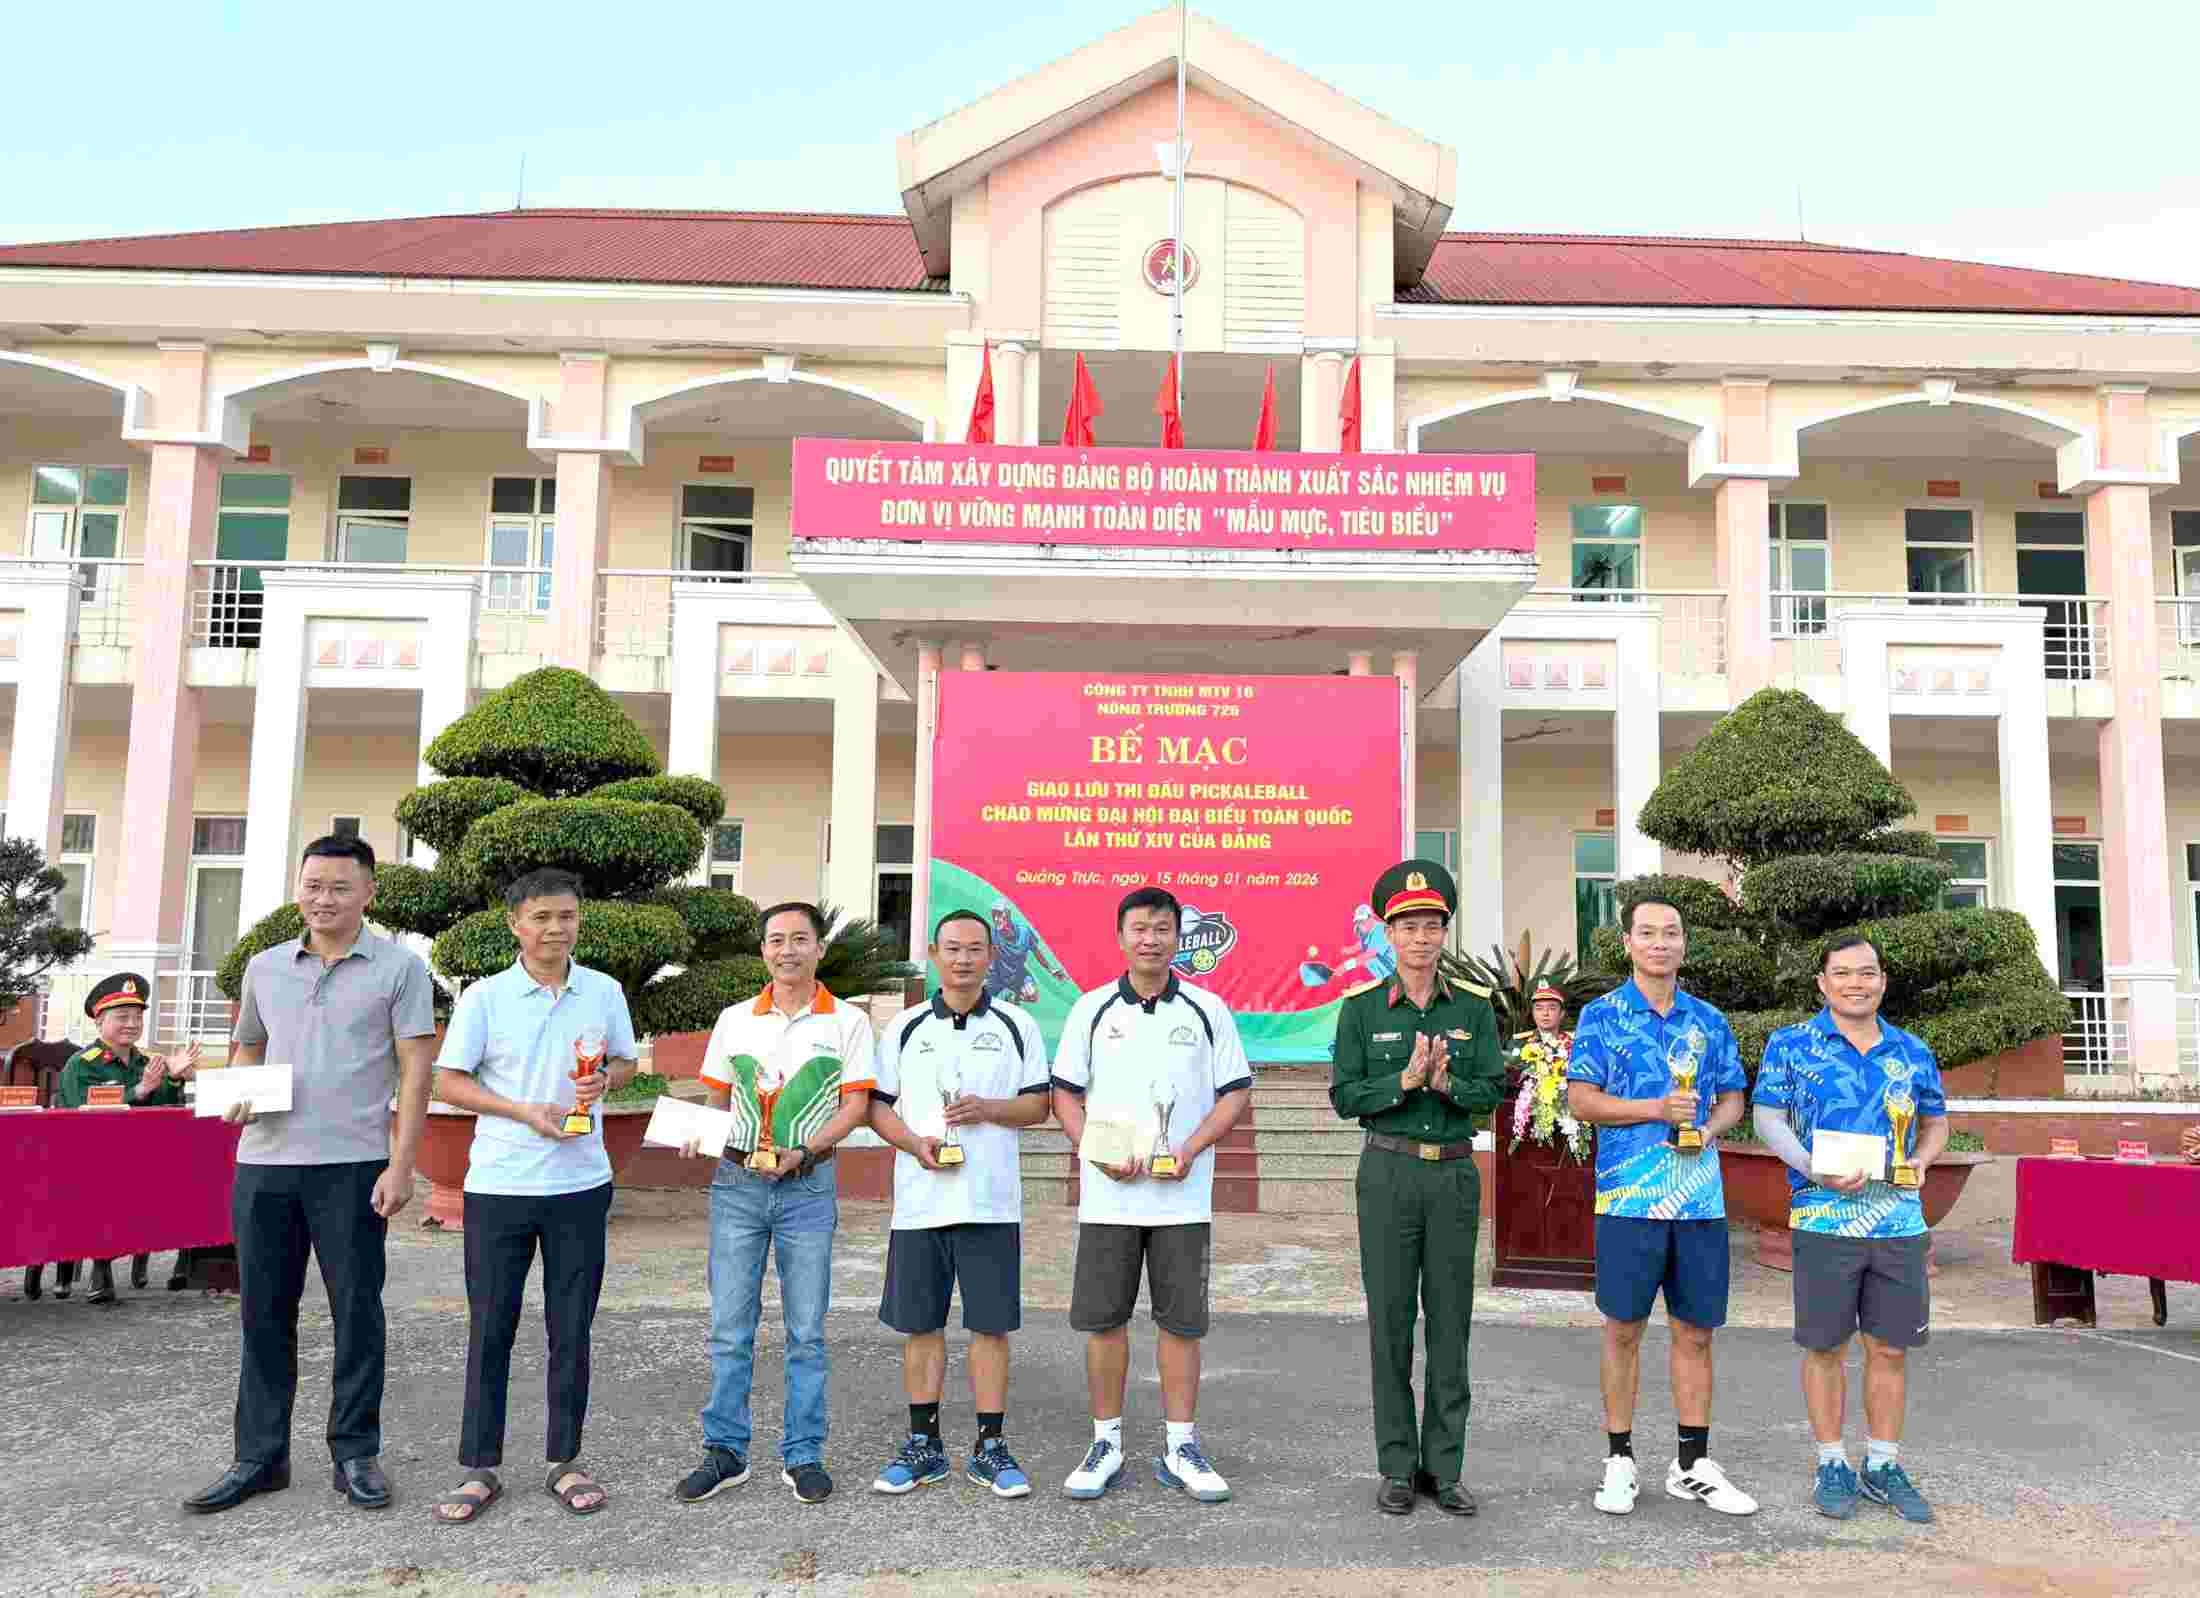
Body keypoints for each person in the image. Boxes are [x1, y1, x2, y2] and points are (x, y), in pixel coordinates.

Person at [184, 835, 438, 1516]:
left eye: (339, 888)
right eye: (313, 885)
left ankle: (355, 1451)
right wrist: (233, 1090)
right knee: (263, 1314)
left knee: (357, 1312)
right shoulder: (266, 967)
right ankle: (259, 1457)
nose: (324, 899)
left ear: (368, 895)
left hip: (353, 1167)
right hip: (265, 1166)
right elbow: (248, 1047)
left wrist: (402, 1162)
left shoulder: (400, 969)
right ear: (298, 888)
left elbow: (416, 1069)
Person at [428, 868, 640, 1526]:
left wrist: (605, 1079)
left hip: (580, 1184)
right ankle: (479, 1466)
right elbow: (450, 1082)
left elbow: (627, 1061)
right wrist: (521, 1110)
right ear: (516, 924)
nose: (555, 929)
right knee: (491, 1326)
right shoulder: (486, 998)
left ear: (580, 921)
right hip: (500, 1186)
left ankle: (566, 1460)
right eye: (542, 917)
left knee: (570, 1328)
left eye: (567, 917)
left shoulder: (602, 991)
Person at [1051, 886, 1252, 1504]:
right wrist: (1094, 1152)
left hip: (1181, 1201)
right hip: (1110, 1201)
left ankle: (1180, 1444)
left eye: (1162, 929)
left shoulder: (1207, 1009)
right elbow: (1064, 1094)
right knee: (1105, 1322)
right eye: (1139, 928)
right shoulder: (1090, 1010)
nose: (1150, 939)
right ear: (1120, 937)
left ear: (1178, 937)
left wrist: (1188, 1149)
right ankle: (1105, 1442)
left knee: (1182, 1325)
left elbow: (1235, 1092)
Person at [673, 901, 875, 1507]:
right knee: (730, 1329)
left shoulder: (847, 1022)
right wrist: (698, 1135)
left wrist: (806, 1150)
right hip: (737, 1187)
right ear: (763, 950)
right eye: (775, 940)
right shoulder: (736, 1019)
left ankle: (804, 1453)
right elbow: (717, 1099)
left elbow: (855, 1107)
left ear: (819, 948)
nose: (787, 950)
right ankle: (725, 1452)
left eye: (800, 939)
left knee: (807, 1331)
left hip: (807, 1188)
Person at [1564, 897, 1757, 1519]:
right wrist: (1654, 1110)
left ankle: (1692, 1463)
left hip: (1698, 1200)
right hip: (1627, 1200)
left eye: (1671, 933)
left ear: (1684, 943)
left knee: (1695, 1332)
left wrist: (1712, 1127)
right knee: (1622, 1330)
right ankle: (1619, 1459)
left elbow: (1732, 1095)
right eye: (1647, 933)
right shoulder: (1601, 1015)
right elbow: (1581, 1101)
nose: (1660, 943)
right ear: (1628, 944)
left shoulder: (1708, 1020)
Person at [1329, 860, 1504, 1518]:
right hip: (1388, 1172)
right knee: (1392, 1325)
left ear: (1443, 935)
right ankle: (1398, 1465)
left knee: (1452, 1327)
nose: (1421, 938)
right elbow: (1345, 1096)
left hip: (1454, 1175)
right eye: (1408, 927)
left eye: (1432, 926)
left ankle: (1446, 1468)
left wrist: (1444, 1086)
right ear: (1389, 936)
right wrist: (1402, 1084)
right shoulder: (1362, 1010)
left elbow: (1490, 1094)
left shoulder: (1474, 1011)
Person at [1752, 934, 1947, 1526]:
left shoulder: (1911, 1050)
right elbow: (1767, 1116)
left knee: (1889, 1347)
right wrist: (1812, 1167)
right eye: (1843, 974)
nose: (1856, 983)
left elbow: (1935, 1121)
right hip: (1823, 1218)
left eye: (1867, 973)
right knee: (1825, 1346)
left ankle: (1883, 1463)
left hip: (1897, 1222)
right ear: (1823, 983)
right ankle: (1831, 1460)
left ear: (1883, 981)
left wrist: (1925, 1160)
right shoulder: (1792, 1044)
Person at [866, 908, 1051, 1499]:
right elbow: (878, 1107)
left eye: (975, 949)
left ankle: (990, 1448)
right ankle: (924, 1445)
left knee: (990, 1329)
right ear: (934, 954)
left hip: (990, 1206)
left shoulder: (1018, 1024)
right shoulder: (905, 1027)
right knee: (921, 1326)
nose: (964, 959)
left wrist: (988, 1109)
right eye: (952, 948)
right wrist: (913, 1143)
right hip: (920, 1206)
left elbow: (1039, 1105)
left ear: (991, 957)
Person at [33, 973, 199, 1305]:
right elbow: (80, 1111)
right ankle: (101, 1268)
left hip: (143, 1157)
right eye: (122, 1017)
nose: (132, 1024)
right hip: (88, 1160)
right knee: (106, 1182)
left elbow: (167, 1107)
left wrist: (176, 1078)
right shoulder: (81, 1064)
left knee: (199, 1173)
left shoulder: (146, 1062)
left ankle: (189, 1263)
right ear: (99, 1022)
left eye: (137, 1017)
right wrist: (137, 1091)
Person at [985, 899, 1065, 1006]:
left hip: (1018, 976)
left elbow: (1036, 952)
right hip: (996, 978)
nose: (996, 919)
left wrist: (1051, 969)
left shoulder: (1024, 932)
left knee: (1032, 995)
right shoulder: (992, 934)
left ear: (1008, 915)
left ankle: (1011, 998)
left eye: (999, 915)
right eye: (993, 915)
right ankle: (1003, 997)